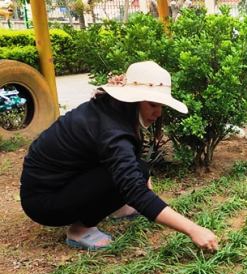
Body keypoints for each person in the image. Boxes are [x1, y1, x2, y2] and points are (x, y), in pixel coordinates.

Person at [20, 61, 219, 251]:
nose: (158, 113)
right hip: (44, 202)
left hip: (60, 182)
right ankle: (80, 230)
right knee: (130, 178)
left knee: (139, 170)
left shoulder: (109, 109)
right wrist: (193, 229)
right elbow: (134, 190)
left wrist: (141, 184)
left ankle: (118, 208)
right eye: (152, 104)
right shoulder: (111, 130)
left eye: (161, 106)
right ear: (132, 100)